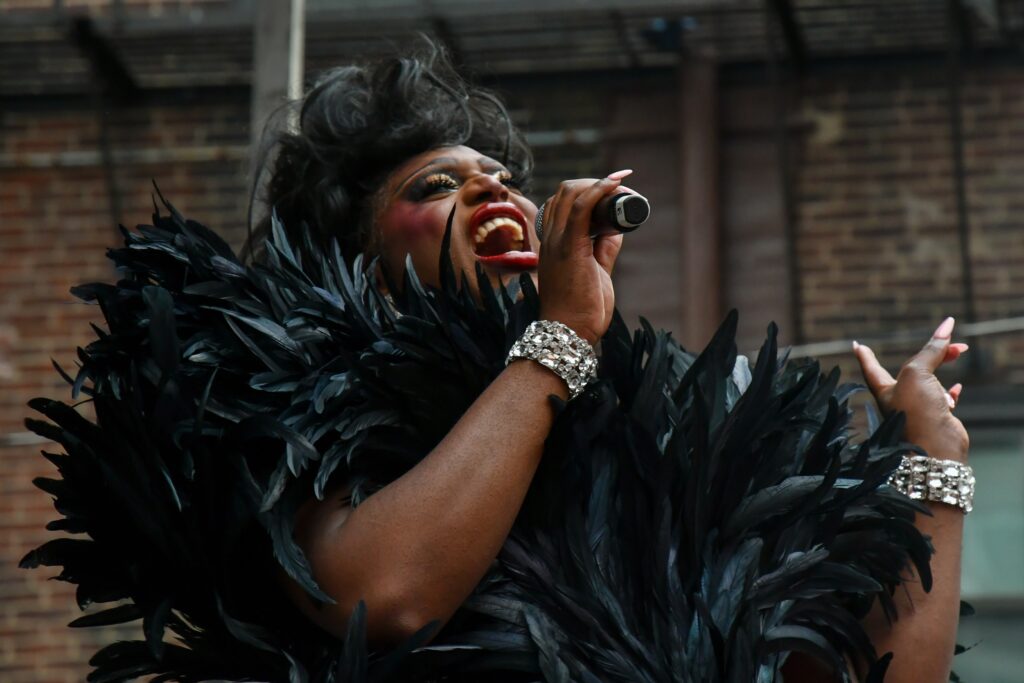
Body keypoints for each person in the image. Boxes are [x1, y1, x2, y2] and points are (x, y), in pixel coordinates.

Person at [23, 42, 972, 682]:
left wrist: (937, 463)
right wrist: (558, 340)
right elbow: (375, 595)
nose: (495, 196)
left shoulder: (663, 434)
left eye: (506, 181)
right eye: (438, 186)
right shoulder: (290, 384)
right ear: (354, 254)